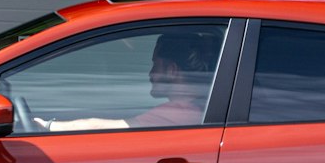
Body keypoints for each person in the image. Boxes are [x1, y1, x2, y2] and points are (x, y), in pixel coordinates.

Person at [29, 29, 220, 131]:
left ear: (171, 71)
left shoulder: (180, 114)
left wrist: (49, 126)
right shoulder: (197, 108)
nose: (150, 74)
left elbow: (110, 128)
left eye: (155, 65)